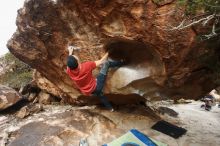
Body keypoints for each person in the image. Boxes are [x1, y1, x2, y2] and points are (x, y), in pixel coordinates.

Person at [66, 45, 124, 111]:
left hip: (89, 91)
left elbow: (69, 63)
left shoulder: (69, 71)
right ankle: (122, 62)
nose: (75, 56)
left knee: (100, 94)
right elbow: (102, 61)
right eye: (75, 57)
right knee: (106, 64)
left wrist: (70, 52)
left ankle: (110, 108)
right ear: (78, 62)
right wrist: (109, 51)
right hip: (97, 86)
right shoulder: (86, 66)